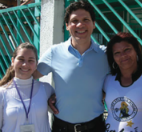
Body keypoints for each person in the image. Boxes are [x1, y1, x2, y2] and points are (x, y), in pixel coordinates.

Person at [33, 1, 109, 132]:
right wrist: (45, 96)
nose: (80, 25)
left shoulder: (105, 54)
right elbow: (30, 77)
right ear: (67, 26)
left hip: (95, 127)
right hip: (61, 128)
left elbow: (125, 75)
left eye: (86, 19)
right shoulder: (54, 52)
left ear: (93, 24)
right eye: (74, 21)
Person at [104, 33, 142, 132]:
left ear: (137, 50)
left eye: (127, 50)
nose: (123, 55)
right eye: (117, 53)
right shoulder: (108, 80)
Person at [0, 43, 54, 132]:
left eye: (31, 60)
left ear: (36, 64)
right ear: (13, 61)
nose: (25, 64)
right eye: (21, 59)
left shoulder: (46, 89)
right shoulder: (2, 92)